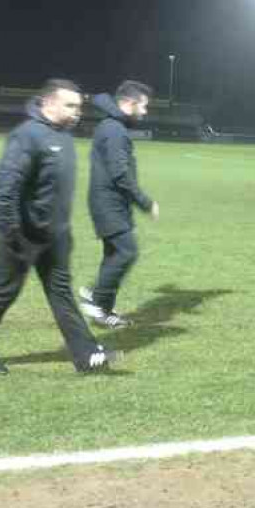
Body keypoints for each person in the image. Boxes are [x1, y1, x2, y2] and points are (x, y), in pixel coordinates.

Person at [0, 80, 120, 375]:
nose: (77, 112)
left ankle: (86, 355)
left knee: (61, 294)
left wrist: (63, 231)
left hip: (54, 236)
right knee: (4, 292)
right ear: (48, 104)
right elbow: (5, 187)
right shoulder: (28, 136)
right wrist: (10, 232)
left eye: (79, 106)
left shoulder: (64, 136)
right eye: (70, 105)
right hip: (22, 235)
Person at [79, 81, 159, 328]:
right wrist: (146, 203)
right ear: (129, 103)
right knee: (127, 252)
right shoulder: (114, 130)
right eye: (143, 106)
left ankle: (103, 310)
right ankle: (95, 297)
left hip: (112, 202)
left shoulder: (113, 126)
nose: (145, 112)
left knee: (113, 253)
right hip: (108, 203)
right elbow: (120, 174)